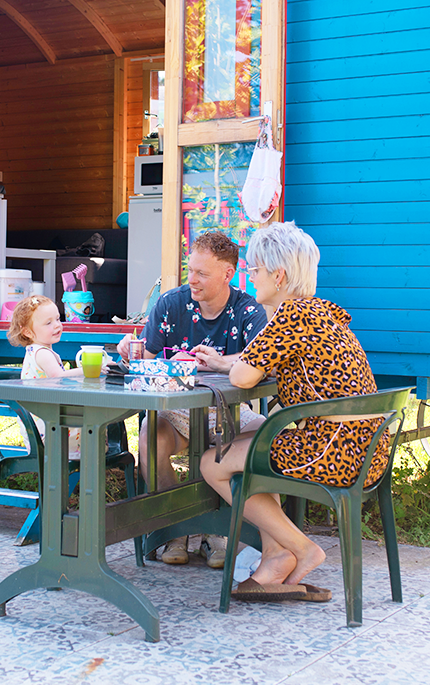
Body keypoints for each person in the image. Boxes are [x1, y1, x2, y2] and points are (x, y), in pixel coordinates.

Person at [200, 221, 384, 603]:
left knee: (212, 463)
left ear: (278, 275)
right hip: (363, 448)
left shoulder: (289, 316)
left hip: (331, 450)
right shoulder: (320, 314)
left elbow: (245, 375)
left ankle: (300, 548)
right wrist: (225, 364)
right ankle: (276, 558)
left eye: (255, 270)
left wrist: (228, 366)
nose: (251, 279)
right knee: (250, 441)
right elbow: (255, 364)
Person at [116, 231, 267, 569]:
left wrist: (222, 360)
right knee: (148, 441)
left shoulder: (248, 311)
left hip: (229, 412)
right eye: (190, 270)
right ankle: (176, 527)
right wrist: (130, 351)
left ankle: (221, 530)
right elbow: (148, 359)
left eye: (202, 273)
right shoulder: (171, 303)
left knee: (268, 437)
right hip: (177, 410)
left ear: (228, 273)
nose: (192, 280)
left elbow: (262, 359)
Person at [8, 295, 100, 458]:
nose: (57, 325)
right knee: (96, 418)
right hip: (49, 431)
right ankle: (95, 457)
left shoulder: (35, 351)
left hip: (41, 425)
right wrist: (89, 370)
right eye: (48, 323)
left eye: (58, 319)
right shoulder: (42, 353)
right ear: (27, 331)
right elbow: (59, 377)